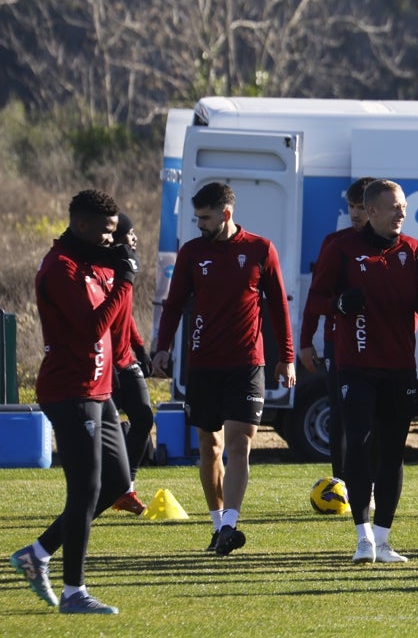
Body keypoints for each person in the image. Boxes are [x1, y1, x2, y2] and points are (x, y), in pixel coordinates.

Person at [10, 189, 138, 614]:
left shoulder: (92, 262)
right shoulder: (60, 269)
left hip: (98, 389)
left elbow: (116, 322)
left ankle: (38, 553)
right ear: (81, 225)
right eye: (105, 231)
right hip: (69, 390)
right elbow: (89, 328)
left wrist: (119, 267)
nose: (110, 237)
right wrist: (124, 279)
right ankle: (74, 592)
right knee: (85, 488)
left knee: (118, 483)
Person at [152, 182, 296, 555]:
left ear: (226, 214)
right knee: (209, 447)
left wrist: (288, 356)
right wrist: (162, 348)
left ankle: (231, 524)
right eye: (197, 217)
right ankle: (217, 526)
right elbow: (174, 305)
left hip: (247, 364)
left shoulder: (260, 249)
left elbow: (279, 306)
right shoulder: (192, 252)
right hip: (203, 363)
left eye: (205, 217)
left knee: (240, 443)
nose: (200, 224)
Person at [307, 179, 418, 562]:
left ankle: (383, 540)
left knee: (392, 453)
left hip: (399, 368)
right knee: (360, 445)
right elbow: (317, 299)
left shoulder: (415, 250)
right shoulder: (343, 248)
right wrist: (339, 305)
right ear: (372, 211)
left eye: (403, 206)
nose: (402, 212)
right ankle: (363, 537)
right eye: (394, 207)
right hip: (356, 367)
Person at [298, 176, 374, 478]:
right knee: (341, 416)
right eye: (351, 206)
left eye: (362, 207)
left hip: (381, 348)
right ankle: (342, 484)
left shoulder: (401, 246)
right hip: (338, 345)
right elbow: (316, 296)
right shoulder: (335, 242)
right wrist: (306, 342)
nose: (355, 214)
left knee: (375, 420)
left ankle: (371, 484)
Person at [108, 213, 156, 516]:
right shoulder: (105, 269)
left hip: (126, 359)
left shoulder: (126, 266)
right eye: (131, 233)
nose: (135, 238)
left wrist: (139, 347)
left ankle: (125, 488)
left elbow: (125, 316)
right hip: (105, 364)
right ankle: (106, 487)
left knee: (143, 418)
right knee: (108, 430)